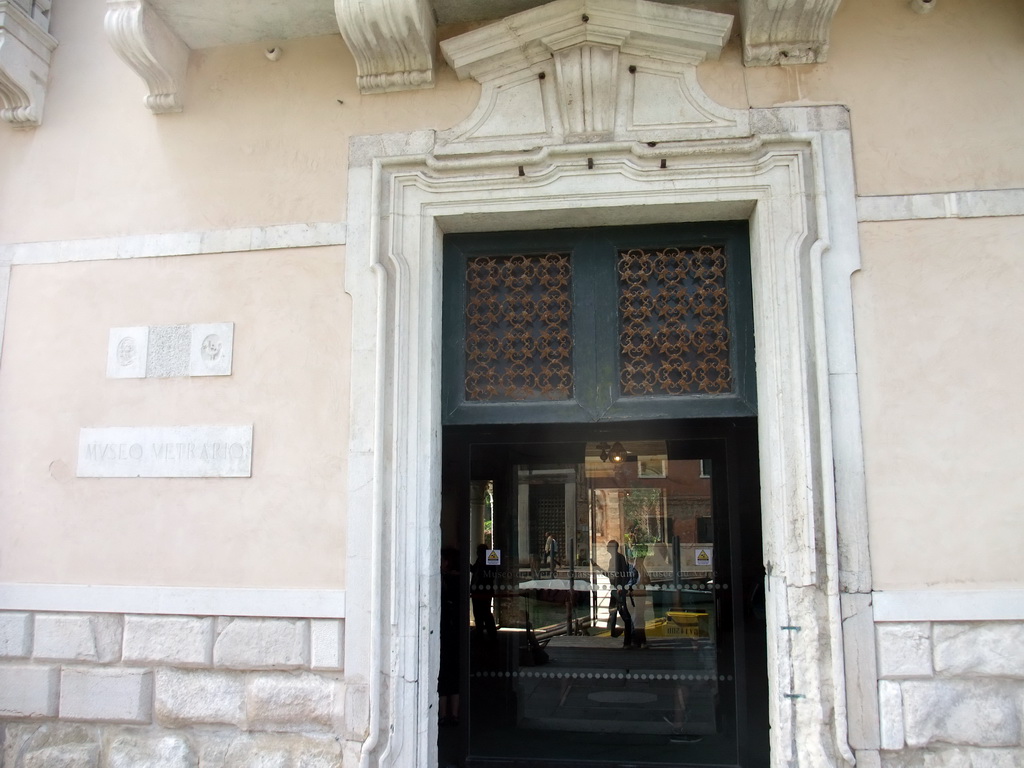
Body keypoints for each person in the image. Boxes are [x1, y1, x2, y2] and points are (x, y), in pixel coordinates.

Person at [437, 547, 461, 726]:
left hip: (446, 634)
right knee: (450, 676)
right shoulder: (449, 580)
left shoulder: (448, 580)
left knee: (447, 676)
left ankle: (448, 715)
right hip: (449, 633)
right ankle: (450, 715)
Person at [604, 540, 634, 648]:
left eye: (608, 546)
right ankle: (616, 634)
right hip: (614, 589)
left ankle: (628, 639)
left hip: (619, 590)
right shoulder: (613, 559)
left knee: (623, 614)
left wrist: (621, 587)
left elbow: (623, 574)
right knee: (613, 611)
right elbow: (611, 575)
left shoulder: (619, 558)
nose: (606, 548)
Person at [470, 543, 497, 642]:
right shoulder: (481, 561)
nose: (477, 554)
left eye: (478, 552)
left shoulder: (488, 561)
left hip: (483, 591)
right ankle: (481, 632)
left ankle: (490, 633)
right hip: (478, 590)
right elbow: (475, 571)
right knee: (479, 613)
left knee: (484, 612)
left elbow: (488, 574)